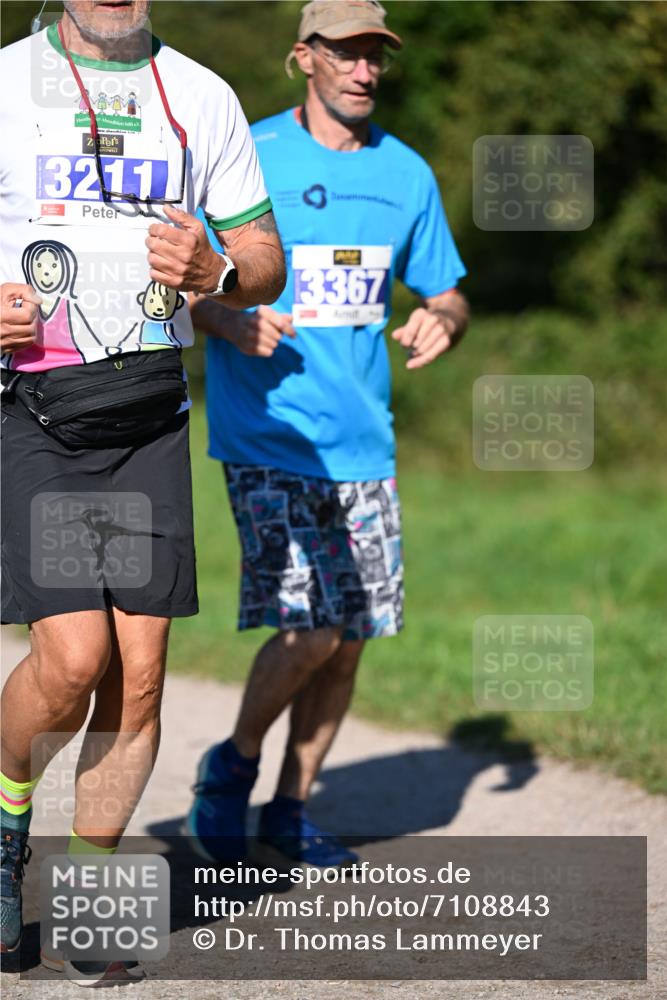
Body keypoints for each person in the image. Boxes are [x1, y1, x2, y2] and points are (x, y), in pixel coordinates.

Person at [0, 0, 285, 984]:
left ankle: (87, 895)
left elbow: (263, 259)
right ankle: (5, 832)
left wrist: (218, 274)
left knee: (142, 673)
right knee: (73, 661)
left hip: (151, 416)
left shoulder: (201, 96)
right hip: (33, 409)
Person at [188, 0, 468, 868]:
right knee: (310, 627)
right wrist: (228, 323)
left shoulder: (406, 174)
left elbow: (446, 287)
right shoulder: (252, 159)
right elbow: (187, 283)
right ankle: (229, 767)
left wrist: (443, 320)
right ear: (301, 59)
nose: (363, 70)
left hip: (364, 443)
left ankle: (289, 809)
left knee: (349, 641)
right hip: (268, 432)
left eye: (373, 55)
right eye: (344, 53)